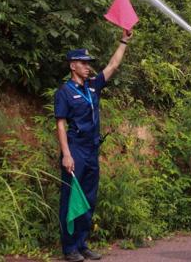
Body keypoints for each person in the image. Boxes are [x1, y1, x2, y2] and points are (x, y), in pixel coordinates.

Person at [54, 29, 133, 262]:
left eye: (88, 63)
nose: (88, 66)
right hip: (75, 148)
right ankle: (69, 249)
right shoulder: (64, 92)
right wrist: (66, 155)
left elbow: (113, 65)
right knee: (71, 198)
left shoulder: (92, 86)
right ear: (72, 66)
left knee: (88, 197)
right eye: (83, 63)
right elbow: (60, 126)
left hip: (92, 149)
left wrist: (124, 41)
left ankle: (82, 244)